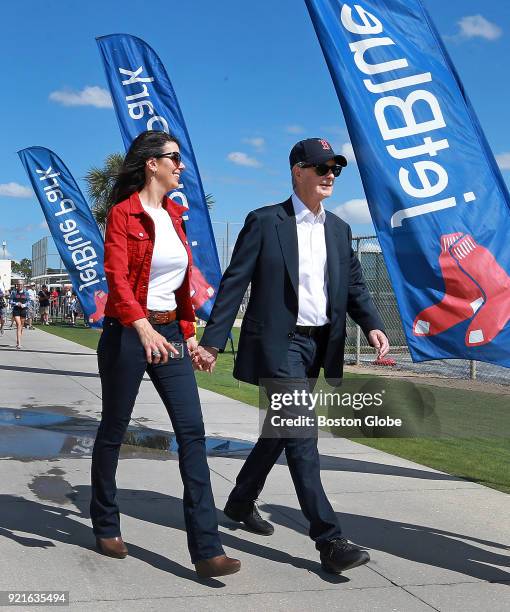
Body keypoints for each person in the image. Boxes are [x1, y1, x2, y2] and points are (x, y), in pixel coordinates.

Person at [196, 138, 389, 575]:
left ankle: (241, 499)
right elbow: (235, 281)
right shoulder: (266, 221)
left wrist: (373, 323)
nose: (330, 175)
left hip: (318, 346)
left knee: (280, 431)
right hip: (278, 345)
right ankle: (330, 539)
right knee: (303, 435)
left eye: (335, 168)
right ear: (297, 171)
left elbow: (354, 285)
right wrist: (212, 340)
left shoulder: (338, 229)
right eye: (321, 167)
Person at [89, 130, 240, 578]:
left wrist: (188, 335)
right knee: (114, 429)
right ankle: (105, 522)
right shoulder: (122, 213)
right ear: (151, 164)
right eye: (174, 158)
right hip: (127, 333)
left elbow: (181, 283)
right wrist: (141, 328)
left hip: (169, 332)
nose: (181, 166)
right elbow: (116, 278)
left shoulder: (175, 215)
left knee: (192, 432)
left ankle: (207, 548)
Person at [10, 280, 29, 349]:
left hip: (23, 310)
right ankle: (19, 343)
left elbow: (29, 301)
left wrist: (24, 305)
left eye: (21, 284)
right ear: (16, 285)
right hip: (16, 310)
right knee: (18, 324)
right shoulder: (14, 292)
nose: (19, 286)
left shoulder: (26, 293)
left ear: (23, 285)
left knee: (21, 326)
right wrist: (16, 303)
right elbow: (10, 301)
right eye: (18, 284)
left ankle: (19, 340)